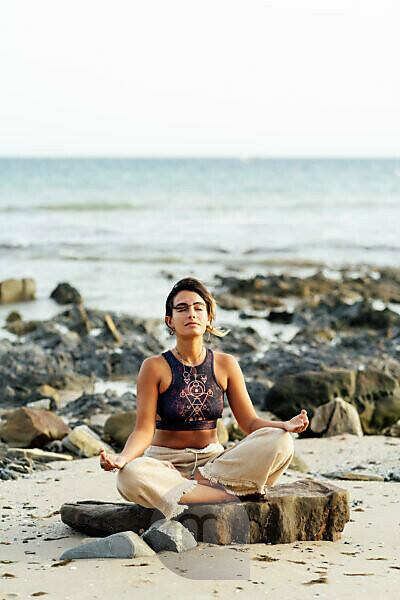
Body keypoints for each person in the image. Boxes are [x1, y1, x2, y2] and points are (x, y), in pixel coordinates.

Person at [100, 276, 309, 520]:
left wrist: (284, 426)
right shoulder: (154, 367)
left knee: (281, 442)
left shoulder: (226, 364)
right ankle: (226, 496)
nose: (191, 313)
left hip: (214, 465)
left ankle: (195, 491)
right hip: (167, 465)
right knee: (129, 477)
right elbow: (143, 431)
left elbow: (250, 424)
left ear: (208, 317)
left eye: (198, 307)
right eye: (182, 308)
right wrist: (122, 458)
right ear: (170, 321)